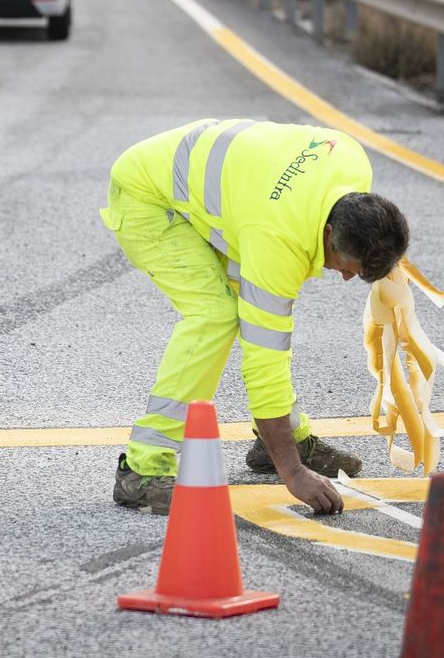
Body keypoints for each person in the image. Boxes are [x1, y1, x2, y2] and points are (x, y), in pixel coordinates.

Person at [99, 119, 409, 515]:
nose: (346, 277)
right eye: (347, 266)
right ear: (330, 233)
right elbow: (265, 361)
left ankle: (278, 439)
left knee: (246, 309)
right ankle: (143, 469)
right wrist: (292, 471)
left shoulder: (352, 164)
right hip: (148, 195)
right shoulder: (276, 240)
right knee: (216, 315)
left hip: (232, 202)